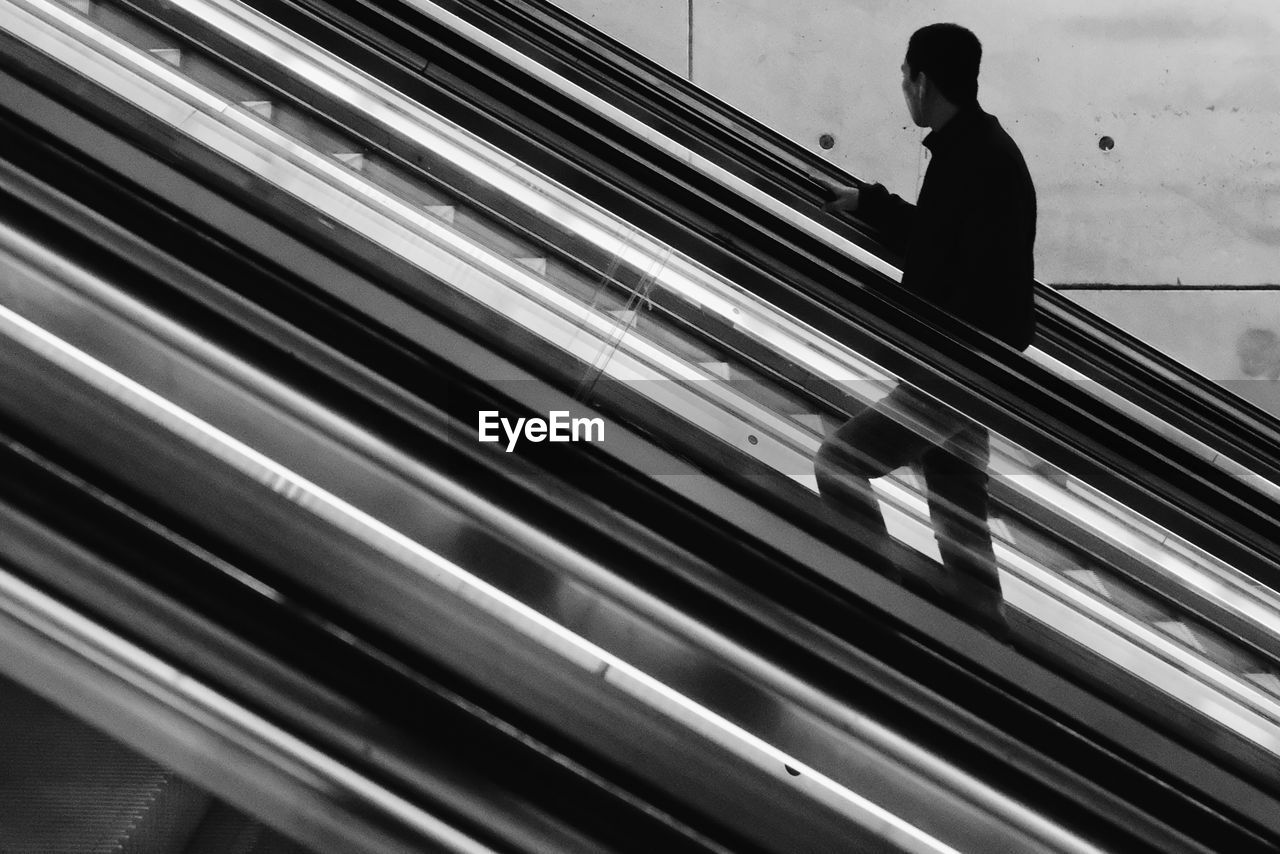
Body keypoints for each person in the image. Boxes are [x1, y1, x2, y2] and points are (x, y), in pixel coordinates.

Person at [814, 23, 1037, 637]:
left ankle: (884, 611)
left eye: (905, 76)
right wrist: (869, 203)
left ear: (923, 81)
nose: (903, 89)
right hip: (968, 371)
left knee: (839, 461)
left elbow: (968, 273)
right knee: (960, 515)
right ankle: (988, 649)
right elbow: (941, 238)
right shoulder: (977, 150)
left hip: (953, 372)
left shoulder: (974, 159)